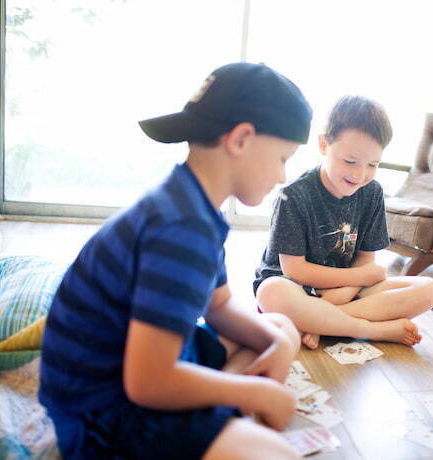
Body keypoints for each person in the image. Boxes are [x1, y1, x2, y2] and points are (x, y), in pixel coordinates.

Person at [39, 62, 313, 459]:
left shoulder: (192, 204)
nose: (283, 176)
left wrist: (277, 344)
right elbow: (147, 382)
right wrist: (258, 391)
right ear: (241, 139)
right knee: (274, 453)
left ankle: (216, 416)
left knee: (280, 327)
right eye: (283, 158)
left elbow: (217, 306)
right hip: (101, 415)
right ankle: (218, 420)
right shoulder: (182, 228)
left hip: (141, 369)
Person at [254, 95, 433, 350]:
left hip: (345, 291)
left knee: (428, 290)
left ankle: (320, 322)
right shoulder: (293, 195)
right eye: (350, 161)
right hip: (295, 288)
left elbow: (366, 259)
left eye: (372, 164)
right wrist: (359, 277)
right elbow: (294, 270)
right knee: (270, 293)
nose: (360, 174)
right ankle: (372, 330)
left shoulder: (372, 192)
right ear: (323, 145)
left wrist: (347, 289)